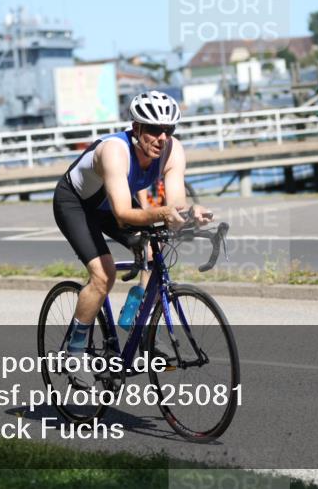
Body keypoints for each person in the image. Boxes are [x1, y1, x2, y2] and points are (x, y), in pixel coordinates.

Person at [53, 90, 212, 364]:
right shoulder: (114, 151)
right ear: (137, 128)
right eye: (154, 130)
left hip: (112, 204)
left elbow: (176, 203)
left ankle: (138, 317)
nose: (162, 137)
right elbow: (123, 214)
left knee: (154, 251)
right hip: (76, 204)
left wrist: (190, 212)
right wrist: (164, 212)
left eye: (168, 130)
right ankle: (73, 351)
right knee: (104, 275)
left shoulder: (173, 150)